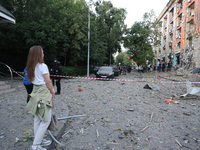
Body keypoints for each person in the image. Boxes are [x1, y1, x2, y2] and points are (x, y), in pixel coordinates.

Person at [26, 46, 55, 150]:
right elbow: (47, 81)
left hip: (35, 91)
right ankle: (35, 145)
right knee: (46, 119)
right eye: (42, 52)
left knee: (37, 118)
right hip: (43, 92)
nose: (43, 54)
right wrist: (52, 91)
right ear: (38, 54)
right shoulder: (43, 66)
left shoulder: (31, 66)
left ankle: (38, 140)